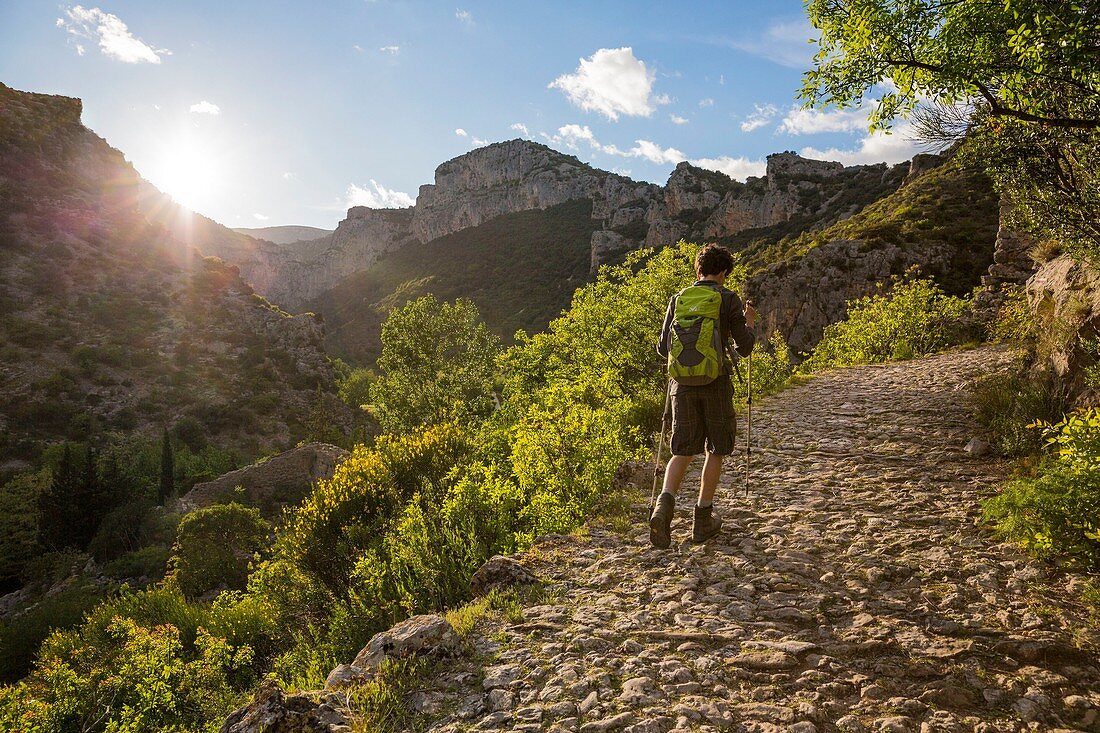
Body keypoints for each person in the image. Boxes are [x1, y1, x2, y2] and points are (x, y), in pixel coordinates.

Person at [651, 243, 756, 548]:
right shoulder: (728, 299)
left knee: (681, 451)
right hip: (716, 383)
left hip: (681, 386)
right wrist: (749, 322)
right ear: (724, 272)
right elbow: (744, 347)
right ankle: (703, 519)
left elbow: (663, 348)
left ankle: (663, 507)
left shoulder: (679, 298)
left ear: (698, 269)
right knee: (715, 449)